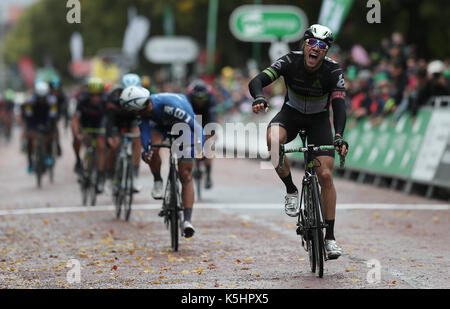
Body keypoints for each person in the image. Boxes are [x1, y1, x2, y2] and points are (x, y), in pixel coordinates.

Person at [248, 24, 349, 260]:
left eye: (322, 46)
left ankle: (331, 238)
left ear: (326, 51)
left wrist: (339, 135)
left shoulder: (333, 70)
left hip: (319, 121)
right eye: (311, 43)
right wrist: (260, 97)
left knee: (325, 175)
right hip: (291, 114)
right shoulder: (288, 62)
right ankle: (291, 190)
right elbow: (257, 81)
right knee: (273, 141)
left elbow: (339, 105)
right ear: (304, 44)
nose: (316, 48)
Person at [119, 86, 205, 238]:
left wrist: (200, 146)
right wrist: (147, 151)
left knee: (185, 174)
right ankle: (157, 179)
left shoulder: (170, 106)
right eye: (139, 112)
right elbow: (145, 132)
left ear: (147, 102)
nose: (145, 112)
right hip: (159, 125)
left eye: (145, 109)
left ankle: (187, 220)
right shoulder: (141, 110)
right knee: (152, 150)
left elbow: (196, 127)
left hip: (183, 125)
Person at [104, 74, 142, 193]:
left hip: (132, 121)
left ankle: (134, 175)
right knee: (114, 146)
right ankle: (109, 178)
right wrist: (109, 136)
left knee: (137, 139)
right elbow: (109, 119)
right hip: (116, 121)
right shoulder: (113, 96)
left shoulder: (144, 96)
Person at [72, 77, 107, 194]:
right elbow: (76, 119)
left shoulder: (105, 101)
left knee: (101, 147)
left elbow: (110, 119)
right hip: (85, 125)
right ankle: (79, 160)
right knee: (77, 140)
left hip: (99, 125)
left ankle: (101, 176)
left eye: (98, 95)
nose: (96, 98)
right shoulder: (82, 100)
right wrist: (77, 134)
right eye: (93, 95)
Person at [186, 79, 217, 189]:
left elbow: (213, 115)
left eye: (202, 99)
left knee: (209, 145)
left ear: (206, 96)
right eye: (197, 99)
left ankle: (208, 175)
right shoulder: (188, 96)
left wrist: (211, 132)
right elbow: (186, 114)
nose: (200, 101)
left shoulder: (211, 97)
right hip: (192, 114)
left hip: (206, 115)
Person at [22, 81, 58, 174]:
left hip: (47, 120)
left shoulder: (52, 100)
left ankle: (49, 155)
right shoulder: (30, 100)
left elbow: (53, 115)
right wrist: (30, 128)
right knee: (30, 139)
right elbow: (28, 115)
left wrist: (49, 126)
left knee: (50, 136)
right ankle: (30, 162)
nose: (41, 99)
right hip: (34, 120)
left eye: (43, 97)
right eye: (39, 97)